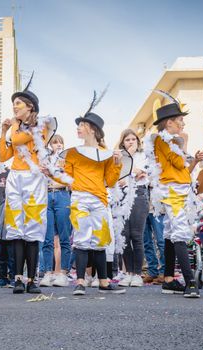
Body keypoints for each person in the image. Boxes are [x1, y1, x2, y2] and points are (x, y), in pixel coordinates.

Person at [51, 95, 126, 295]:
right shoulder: (73, 153)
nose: (78, 128)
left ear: (92, 129)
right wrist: (51, 173)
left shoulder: (107, 153)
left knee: (100, 241)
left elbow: (110, 182)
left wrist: (117, 164)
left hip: (100, 200)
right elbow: (66, 178)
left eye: (82, 124)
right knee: (82, 240)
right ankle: (81, 282)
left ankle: (103, 282)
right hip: (79, 199)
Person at [0, 78, 57, 294]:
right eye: (13, 103)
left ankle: (32, 279)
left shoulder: (39, 126)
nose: (14, 107)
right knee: (16, 229)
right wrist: (2, 131)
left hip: (34, 179)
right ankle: (18, 278)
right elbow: (4, 154)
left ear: (30, 107)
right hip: (15, 177)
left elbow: (17, 140)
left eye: (19, 104)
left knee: (32, 229)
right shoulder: (14, 129)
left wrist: (12, 126)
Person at [145, 92, 200, 298]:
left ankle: (168, 280)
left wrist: (192, 159)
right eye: (180, 120)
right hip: (173, 191)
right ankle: (190, 282)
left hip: (179, 187)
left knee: (170, 231)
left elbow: (184, 168)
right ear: (169, 123)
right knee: (179, 231)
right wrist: (184, 142)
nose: (183, 124)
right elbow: (178, 163)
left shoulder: (168, 140)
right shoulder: (164, 139)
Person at [117, 129, 148, 287]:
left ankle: (137, 274)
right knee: (124, 236)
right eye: (127, 139)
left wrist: (131, 172)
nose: (130, 142)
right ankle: (128, 272)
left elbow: (143, 173)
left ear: (138, 141)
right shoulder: (119, 157)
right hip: (121, 196)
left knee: (136, 235)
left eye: (133, 139)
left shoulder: (144, 155)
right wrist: (132, 172)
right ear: (123, 142)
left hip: (139, 195)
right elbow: (118, 178)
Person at [40, 134, 72, 287]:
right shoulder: (45, 159)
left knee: (64, 236)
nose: (58, 145)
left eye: (61, 142)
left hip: (62, 195)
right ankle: (47, 272)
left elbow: (71, 181)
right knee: (48, 238)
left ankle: (63, 273)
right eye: (55, 143)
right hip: (46, 195)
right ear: (50, 146)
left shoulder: (67, 160)